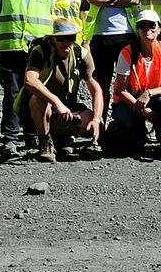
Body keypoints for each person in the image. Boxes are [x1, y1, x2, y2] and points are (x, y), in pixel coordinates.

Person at [0, 0, 54, 156]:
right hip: (10, 48)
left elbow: (50, 14)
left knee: (33, 93)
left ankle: (33, 136)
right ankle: (10, 138)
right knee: (11, 93)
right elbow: (0, 10)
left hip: (37, 50)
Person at [18, 17, 104, 163]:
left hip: (67, 107)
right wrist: (57, 103)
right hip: (39, 108)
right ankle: (45, 140)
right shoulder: (41, 51)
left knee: (94, 123)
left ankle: (63, 139)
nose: (66, 43)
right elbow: (30, 80)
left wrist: (96, 119)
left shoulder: (81, 54)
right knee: (39, 101)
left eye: (70, 38)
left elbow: (96, 90)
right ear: (53, 40)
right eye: (61, 39)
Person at [109, 9, 161, 152]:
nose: (147, 29)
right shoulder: (127, 53)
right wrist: (143, 110)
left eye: (152, 25)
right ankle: (134, 129)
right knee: (131, 143)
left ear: (159, 29)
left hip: (156, 98)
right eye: (143, 25)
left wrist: (149, 93)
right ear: (138, 30)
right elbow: (121, 90)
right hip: (130, 101)